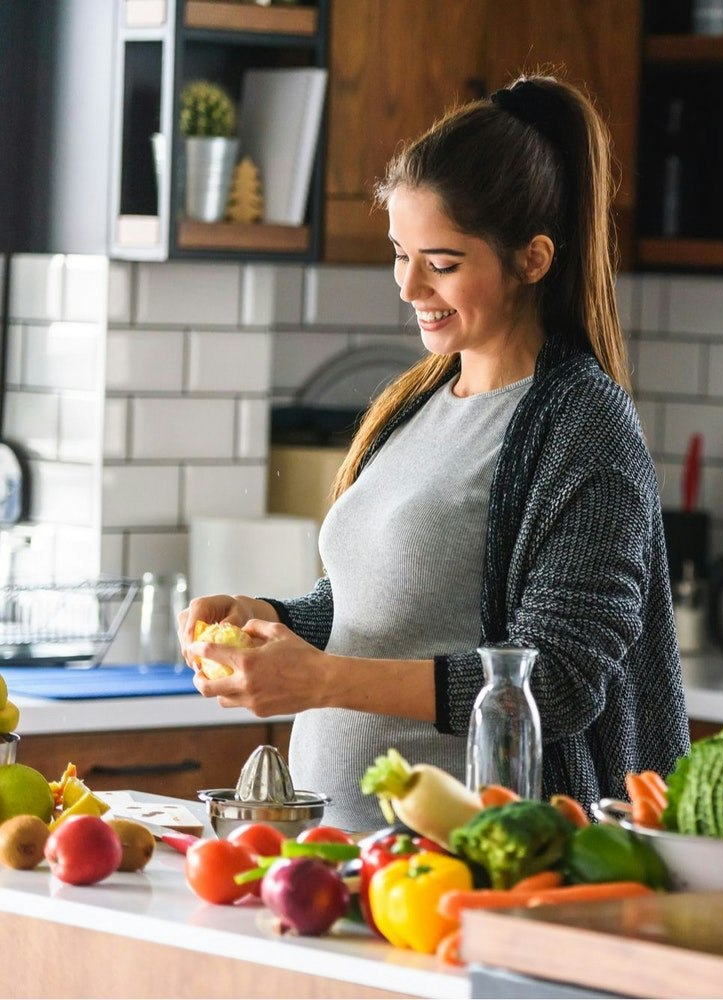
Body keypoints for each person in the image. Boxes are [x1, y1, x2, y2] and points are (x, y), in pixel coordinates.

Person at [180, 74, 689, 832]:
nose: (409, 285)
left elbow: (557, 680)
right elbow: (389, 607)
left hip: (477, 861)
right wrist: (273, 620)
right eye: (400, 253)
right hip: (341, 853)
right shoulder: (415, 400)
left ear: (533, 259)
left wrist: (319, 679)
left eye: (441, 263)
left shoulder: (583, 425)